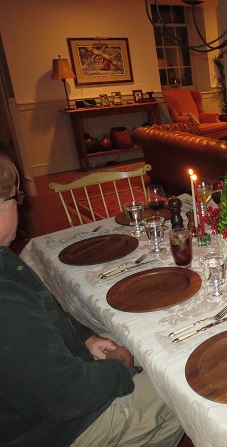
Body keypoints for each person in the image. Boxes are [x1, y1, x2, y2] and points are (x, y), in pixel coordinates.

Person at [0, 154, 184, 447]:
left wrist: (85, 337)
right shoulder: (5, 302)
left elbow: (43, 314)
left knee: (152, 340)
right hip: (59, 430)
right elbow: (66, 396)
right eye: (14, 199)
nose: (18, 207)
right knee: (178, 386)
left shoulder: (5, 265)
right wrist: (119, 366)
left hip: (53, 393)